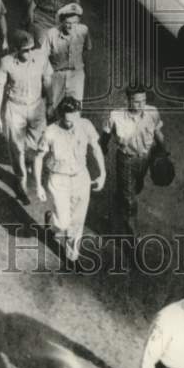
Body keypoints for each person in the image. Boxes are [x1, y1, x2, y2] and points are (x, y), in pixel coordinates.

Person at [34, 97, 105, 269]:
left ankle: (72, 257)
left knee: (77, 221)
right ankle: (52, 221)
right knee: (63, 223)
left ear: (78, 114)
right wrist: (38, 185)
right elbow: (38, 158)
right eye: (66, 120)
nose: (70, 123)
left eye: (73, 118)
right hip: (58, 179)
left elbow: (96, 148)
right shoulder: (50, 132)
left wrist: (102, 173)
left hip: (81, 177)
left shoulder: (85, 125)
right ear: (60, 116)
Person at [100, 84, 165, 241]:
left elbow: (158, 133)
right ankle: (133, 237)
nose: (141, 105)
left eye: (143, 100)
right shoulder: (115, 116)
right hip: (126, 160)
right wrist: (101, 150)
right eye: (136, 101)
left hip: (145, 159)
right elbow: (105, 137)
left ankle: (116, 207)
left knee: (136, 187)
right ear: (128, 100)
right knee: (130, 201)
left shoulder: (152, 112)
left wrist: (164, 152)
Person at [0, 30, 50, 205]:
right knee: (16, 148)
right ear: (16, 49)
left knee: (38, 144)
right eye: (25, 50)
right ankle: (21, 183)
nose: (29, 53)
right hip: (15, 107)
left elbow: (48, 78)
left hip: (36, 107)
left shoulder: (40, 58)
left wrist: (51, 103)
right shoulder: (7, 62)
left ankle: (30, 162)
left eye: (31, 48)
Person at [40, 4, 91, 116]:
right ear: (62, 21)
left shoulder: (84, 30)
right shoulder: (51, 34)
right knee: (52, 109)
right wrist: (47, 78)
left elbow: (86, 50)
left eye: (74, 23)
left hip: (76, 75)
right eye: (68, 23)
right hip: (57, 75)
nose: (71, 26)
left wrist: (84, 71)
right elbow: (42, 58)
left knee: (75, 109)